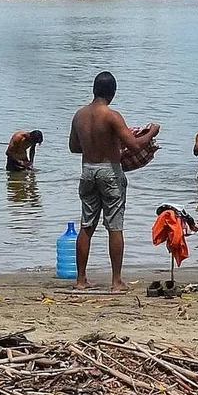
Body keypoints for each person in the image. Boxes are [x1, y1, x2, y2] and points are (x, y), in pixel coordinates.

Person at [69, 72, 160, 292]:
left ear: (94, 90)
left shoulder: (79, 115)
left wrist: (96, 145)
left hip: (88, 171)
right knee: (115, 226)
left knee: (86, 225)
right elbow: (135, 145)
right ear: (112, 93)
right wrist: (152, 132)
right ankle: (116, 281)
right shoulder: (112, 116)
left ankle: (81, 280)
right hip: (109, 172)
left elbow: (73, 147)